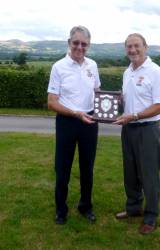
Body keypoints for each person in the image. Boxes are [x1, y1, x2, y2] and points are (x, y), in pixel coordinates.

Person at [114, 33, 160, 235]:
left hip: (147, 129)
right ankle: (134, 208)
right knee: (130, 172)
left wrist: (134, 116)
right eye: (129, 47)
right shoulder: (128, 72)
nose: (132, 50)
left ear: (146, 47)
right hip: (128, 129)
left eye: (136, 46)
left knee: (149, 174)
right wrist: (119, 102)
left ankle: (151, 216)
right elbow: (130, 100)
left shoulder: (155, 72)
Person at [47, 25, 101, 225]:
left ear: (89, 45)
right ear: (69, 43)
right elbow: (52, 102)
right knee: (63, 168)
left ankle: (85, 206)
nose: (80, 47)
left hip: (90, 122)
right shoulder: (58, 66)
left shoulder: (93, 65)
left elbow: (98, 92)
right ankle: (61, 210)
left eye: (84, 44)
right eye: (76, 43)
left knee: (87, 168)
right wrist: (75, 114)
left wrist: (111, 103)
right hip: (67, 122)